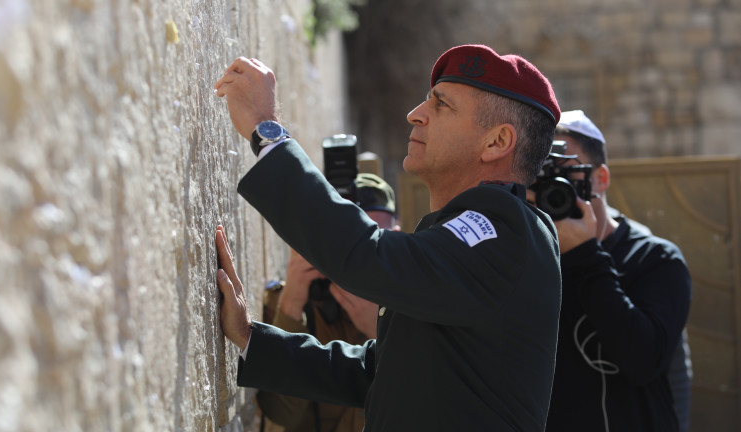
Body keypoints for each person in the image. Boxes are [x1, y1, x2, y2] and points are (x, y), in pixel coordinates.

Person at [213, 44, 563, 431]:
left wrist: (268, 133)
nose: (415, 114)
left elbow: (366, 256)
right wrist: (249, 337)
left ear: (497, 142)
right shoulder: (479, 236)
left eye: (441, 105)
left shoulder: (505, 231)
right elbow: (383, 370)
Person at [535, 110, 692, 432]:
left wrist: (584, 254)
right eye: (541, 175)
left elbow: (643, 361)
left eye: (566, 173)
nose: (554, 185)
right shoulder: (530, 254)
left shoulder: (655, 258)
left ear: (601, 178)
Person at [257, 173, 398, 432]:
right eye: (353, 238)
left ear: (397, 237)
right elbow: (281, 414)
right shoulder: (294, 304)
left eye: (376, 237)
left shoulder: (415, 310)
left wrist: (380, 332)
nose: (364, 252)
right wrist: (292, 302)